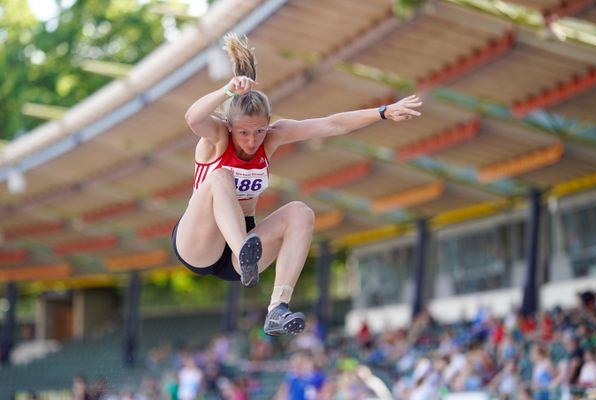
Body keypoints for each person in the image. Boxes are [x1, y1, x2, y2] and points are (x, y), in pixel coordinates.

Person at [171, 33, 422, 336]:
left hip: (239, 254)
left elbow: (331, 124)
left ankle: (277, 308)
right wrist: (226, 90)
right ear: (230, 126)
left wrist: (382, 112)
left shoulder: (274, 136)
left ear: (268, 124)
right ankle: (244, 250)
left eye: (259, 131)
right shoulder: (216, 137)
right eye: (244, 133)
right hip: (200, 243)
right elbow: (192, 117)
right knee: (220, 176)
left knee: (301, 212)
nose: (253, 141)